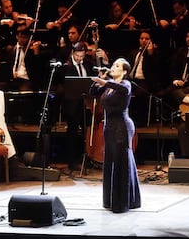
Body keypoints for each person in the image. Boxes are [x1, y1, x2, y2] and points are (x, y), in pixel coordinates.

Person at [89, 57, 141, 213]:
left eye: (117, 66)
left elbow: (124, 91)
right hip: (109, 127)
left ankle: (123, 202)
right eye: (113, 65)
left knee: (121, 162)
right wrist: (100, 80)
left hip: (122, 126)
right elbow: (93, 93)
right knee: (111, 161)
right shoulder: (108, 87)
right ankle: (111, 201)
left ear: (124, 71)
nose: (113, 67)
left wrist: (106, 83)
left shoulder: (125, 84)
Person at [54, 41, 96, 171]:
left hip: (86, 103)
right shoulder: (66, 66)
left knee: (87, 131)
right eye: (78, 56)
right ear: (73, 53)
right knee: (72, 132)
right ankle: (72, 162)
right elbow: (63, 83)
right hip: (73, 104)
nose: (80, 59)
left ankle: (88, 158)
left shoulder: (88, 63)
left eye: (82, 56)